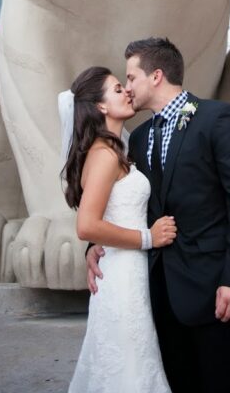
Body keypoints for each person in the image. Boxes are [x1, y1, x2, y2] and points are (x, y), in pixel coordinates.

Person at [87, 36, 230, 393]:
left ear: (156, 76)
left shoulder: (218, 118)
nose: (128, 89)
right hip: (159, 294)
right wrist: (94, 243)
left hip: (217, 291)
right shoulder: (137, 138)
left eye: (132, 78)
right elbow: (128, 204)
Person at [60, 66, 176, 393]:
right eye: (116, 89)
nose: (126, 91)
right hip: (122, 277)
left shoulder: (116, 150)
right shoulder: (104, 155)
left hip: (128, 270)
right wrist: (148, 237)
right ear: (100, 107)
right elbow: (87, 225)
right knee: (128, 367)